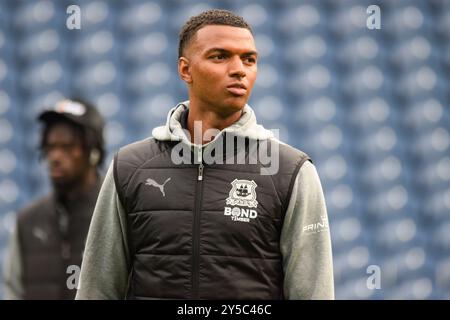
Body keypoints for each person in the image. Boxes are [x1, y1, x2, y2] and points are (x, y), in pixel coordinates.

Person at [76, 9, 334, 300]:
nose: (239, 69)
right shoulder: (130, 167)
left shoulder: (292, 171)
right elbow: (97, 289)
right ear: (186, 70)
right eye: (220, 56)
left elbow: (314, 294)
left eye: (249, 59)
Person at [3, 98, 105, 299]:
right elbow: (14, 291)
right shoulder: (27, 221)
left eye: (67, 146)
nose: (55, 156)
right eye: (50, 146)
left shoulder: (116, 214)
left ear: (93, 151)